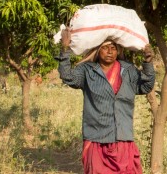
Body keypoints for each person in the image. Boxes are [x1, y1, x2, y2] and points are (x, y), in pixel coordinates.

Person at [58, 29, 156, 174]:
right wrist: (65, 49)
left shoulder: (128, 70)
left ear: (118, 51)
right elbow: (68, 77)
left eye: (113, 48)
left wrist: (148, 63)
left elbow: (146, 86)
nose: (109, 51)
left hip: (123, 140)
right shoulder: (87, 71)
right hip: (96, 138)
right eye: (105, 47)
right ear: (97, 50)